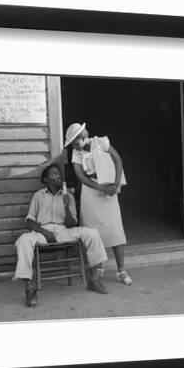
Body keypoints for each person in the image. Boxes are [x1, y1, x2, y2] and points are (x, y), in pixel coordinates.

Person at [14, 164, 109, 307]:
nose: (58, 176)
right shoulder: (38, 196)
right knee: (23, 240)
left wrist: (67, 207)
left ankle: (94, 280)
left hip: (63, 231)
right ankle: (29, 288)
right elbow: (30, 221)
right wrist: (45, 232)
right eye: (54, 174)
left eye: (59, 174)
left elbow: (72, 224)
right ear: (46, 179)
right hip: (43, 231)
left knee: (92, 233)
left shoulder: (67, 196)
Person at [65, 122, 133, 286]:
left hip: (108, 187)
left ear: (83, 136)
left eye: (76, 141)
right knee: (93, 230)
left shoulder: (101, 142)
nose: (75, 145)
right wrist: (98, 187)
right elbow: (81, 176)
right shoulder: (76, 153)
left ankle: (121, 270)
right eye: (72, 143)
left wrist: (115, 185)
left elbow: (118, 160)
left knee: (114, 227)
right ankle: (98, 267)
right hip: (91, 190)